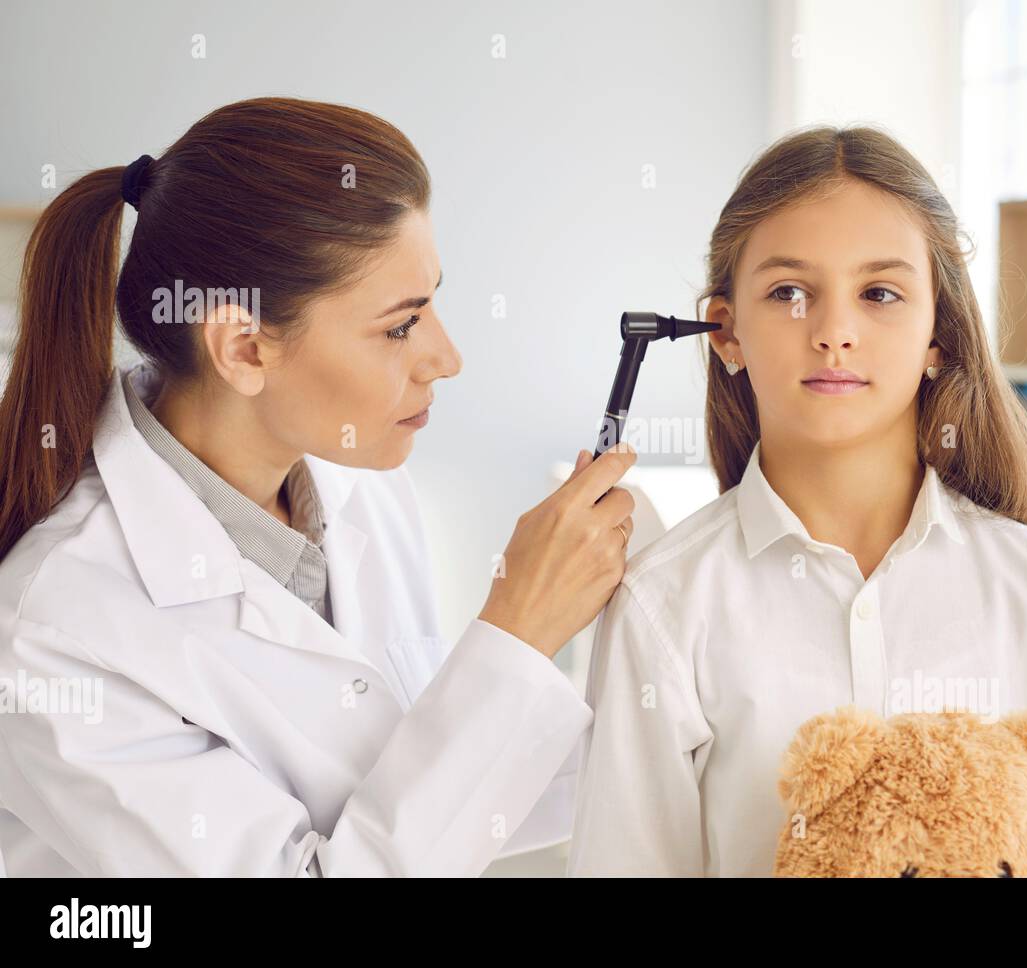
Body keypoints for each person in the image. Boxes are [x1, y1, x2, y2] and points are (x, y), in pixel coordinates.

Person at [0, 96, 636, 876]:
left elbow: (420, 786)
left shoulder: (356, 488)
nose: (446, 357)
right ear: (243, 348)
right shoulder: (56, 628)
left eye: (433, 302)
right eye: (401, 325)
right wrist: (520, 631)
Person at [566, 126, 1027, 876]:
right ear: (726, 333)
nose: (834, 333)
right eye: (788, 293)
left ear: (937, 334)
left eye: (879, 293)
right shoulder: (664, 605)